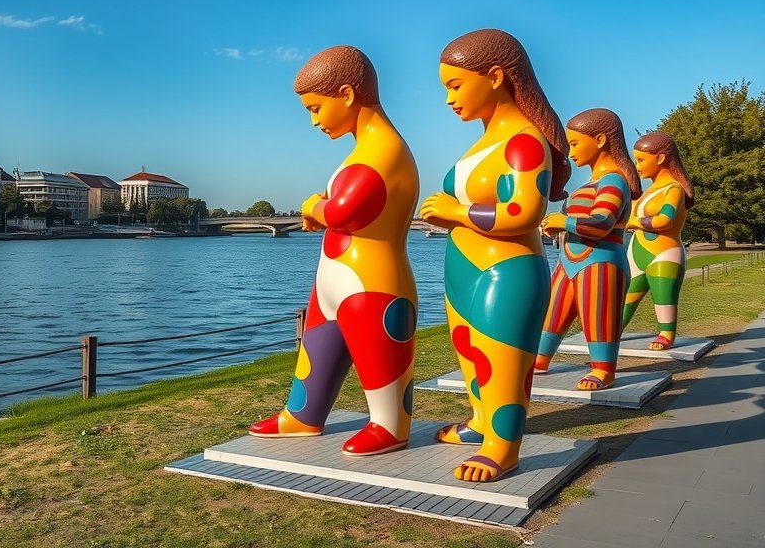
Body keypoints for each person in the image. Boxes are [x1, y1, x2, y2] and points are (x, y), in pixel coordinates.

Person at [248, 45, 420, 456]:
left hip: (373, 281)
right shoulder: (360, 152)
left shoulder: (386, 151)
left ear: (345, 94)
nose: (313, 121)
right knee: (317, 349)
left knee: (380, 359)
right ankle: (303, 413)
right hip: (334, 278)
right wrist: (320, 211)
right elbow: (339, 207)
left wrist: (313, 207)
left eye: (315, 108)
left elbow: (347, 210)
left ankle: (390, 423)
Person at [420, 29, 569, 482]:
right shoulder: (485, 141)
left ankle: (503, 447)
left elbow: (525, 210)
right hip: (465, 271)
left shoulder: (524, 142)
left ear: (496, 77)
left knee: (502, 358)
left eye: (456, 85)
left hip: (505, 271)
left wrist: (457, 210)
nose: (448, 99)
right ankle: (481, 422)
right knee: (470, 352)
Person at [534, 108, 642, 390]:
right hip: (569, 261)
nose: (570, 152)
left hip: (600, 263)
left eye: (575, 143)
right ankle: (540, 358)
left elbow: (602, 222)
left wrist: (563, 220)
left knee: (599, 316)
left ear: (601, 140)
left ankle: (604, 368)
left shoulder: (614, 180)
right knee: (553, 314)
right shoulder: (590, 184)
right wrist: (555, 225)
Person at [620, 131, 694, 351]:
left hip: (665, 254)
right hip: (636, 253)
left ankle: (666, 334)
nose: (637, 166)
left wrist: (634, 221)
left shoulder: (674, 190)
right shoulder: (647, 192)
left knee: (664, 298)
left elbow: (665, 220)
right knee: (625, 297)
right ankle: (614, 330)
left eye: (641, 160)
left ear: (660, 158)